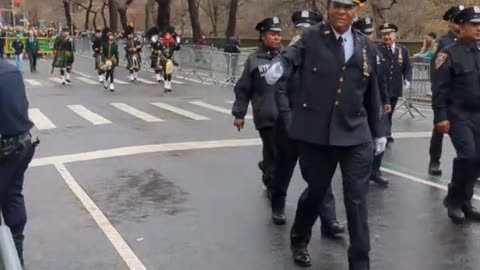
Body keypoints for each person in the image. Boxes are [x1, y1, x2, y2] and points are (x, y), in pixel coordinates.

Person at [265, 0, 386, 267]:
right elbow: (289, 57)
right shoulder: (310, 37)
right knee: (317, 192)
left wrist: (380, 132)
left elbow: (372, 92)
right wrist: (279, 66)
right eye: (337, 6)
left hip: (355, 133)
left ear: (357, 12)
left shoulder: (366, 46)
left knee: (356, 199)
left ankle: (360, 262)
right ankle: (299, 238)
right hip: (317, 134)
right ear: (330, 9)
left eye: (348, 7)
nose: (342, 12)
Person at [269, 10, 345, 239]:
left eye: (307, 29)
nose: (303, 34)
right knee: (285, 167)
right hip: (289, 121)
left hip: (314, 124)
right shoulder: (288, 55)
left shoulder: (322, 56)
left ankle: (328, 220)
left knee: (320, 175)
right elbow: (280, 88)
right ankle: (278, 204)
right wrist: (287, 116)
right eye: (300, 29)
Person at [431, 6, 480, 224]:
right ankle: (453, 200)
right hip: (458, 114)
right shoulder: (448, 53)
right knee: (468, 156)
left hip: (478, 114)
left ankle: (466, 201)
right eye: (474, 24)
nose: (479, 28)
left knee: (477, 160)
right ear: (461, 26)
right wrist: (440, 116)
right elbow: (439, 88)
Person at [232, 17, 283, 194]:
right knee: (274, 151)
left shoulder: (287, 57)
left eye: (279, 34)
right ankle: (273, 187)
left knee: (280, 153)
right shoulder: (254, 60)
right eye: (272, 34)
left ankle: (267, 167)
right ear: (262, 36)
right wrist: (239, 114)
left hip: (285, 115)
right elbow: (243, 88)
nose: (277, 38)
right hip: (266, 114)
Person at [0, 60, 37, 267]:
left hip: (5, 148)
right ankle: (16, 258)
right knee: (13, 196)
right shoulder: (11, 70)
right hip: (22, 143)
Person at [427, 5, 465, 176]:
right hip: (446, 97)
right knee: (439, 130)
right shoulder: (442, 42)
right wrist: (438, 97)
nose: (460, 23)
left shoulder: (470, 41)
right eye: (457, 19)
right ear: (450, 22)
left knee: (469, 132)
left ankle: (469, 166)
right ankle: (434, 161)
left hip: (465, 98)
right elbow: (436, 73)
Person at [353, 16, 390, 186]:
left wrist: (386, 100)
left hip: (375, 101)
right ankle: (361, 171)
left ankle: (375, 170)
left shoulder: (374, 52)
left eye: (370, 33)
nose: (368, 36)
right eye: (364, 33)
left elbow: (380, 80)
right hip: (356, 103)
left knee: (380, 135)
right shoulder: (350, 50)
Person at [377, 23, 412, 144]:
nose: (387, 37)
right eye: (384, 34)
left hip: (395, 87)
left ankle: (387, 132)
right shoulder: (377, 49)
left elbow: (407, 66)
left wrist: (407, 79)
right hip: (381, 87)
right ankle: (383, 133)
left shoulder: (402, 50)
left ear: (395, 35)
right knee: (382, 111)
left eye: (389, 34)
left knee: (390, 112)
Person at [160, 27, 180, 93]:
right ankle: (165, 86)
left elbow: (177, 48)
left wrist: (178, 43)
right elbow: (160, 49)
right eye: (166, 35)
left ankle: (169, 86)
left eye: (168, 35)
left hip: (170, 59)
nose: (167, 36)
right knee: (165, 72)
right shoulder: (162, 42)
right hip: (164, 59)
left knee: (169, 72)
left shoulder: (172, 42)